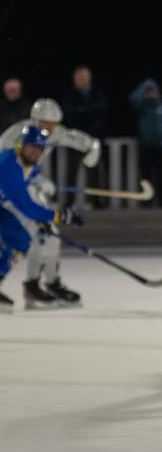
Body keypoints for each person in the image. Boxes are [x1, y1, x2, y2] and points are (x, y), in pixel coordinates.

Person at [0, 98, 101, 307]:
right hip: (11, 193)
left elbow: (79, 140)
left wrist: (93, 149)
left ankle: (42, 283)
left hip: (19, 188)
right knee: (28, 235)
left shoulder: (51, 135)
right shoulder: (14, 138)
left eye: (52, 124)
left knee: (43, 237)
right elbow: (18, 188)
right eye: (44, 123)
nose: (48, 129)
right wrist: (57, 214)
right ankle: (36, 285)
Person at [0, 126, 83, 311]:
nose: (36, 151)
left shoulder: (26, 162)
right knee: (15, 239)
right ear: (21, 145)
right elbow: (26, 206)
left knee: (20, 240)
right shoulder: (9, 165)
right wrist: (59, 216)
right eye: (32, 147)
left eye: (40, 148)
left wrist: (39, 182)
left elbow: (30, 178)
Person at [62, 65, 107, 202]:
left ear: (89, 79)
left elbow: (101, 114)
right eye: (79, 77)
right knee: (71, 171)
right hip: (74, 139)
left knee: (94, 171)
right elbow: (69, 116)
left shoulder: (97, 94)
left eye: (84, 77)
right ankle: (69, 202)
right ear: (74, 79)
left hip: (92, 138)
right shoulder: (69, 95)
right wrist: (87, 112)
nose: (81, 80)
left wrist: (83, 113)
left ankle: (96, 201)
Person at [129, 79, 162, 207]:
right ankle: (146, 202)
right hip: (145, 146)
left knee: (161, 176)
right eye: (148, 91)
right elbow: (133, 98)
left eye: (153, 90)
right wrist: (144, 86)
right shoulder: (142, 107)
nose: (151, 93)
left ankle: (161, 202)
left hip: (161, 146)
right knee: (146, 176)